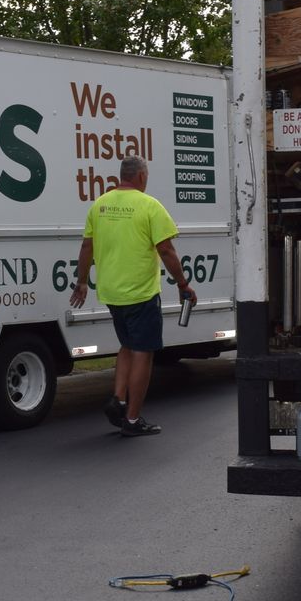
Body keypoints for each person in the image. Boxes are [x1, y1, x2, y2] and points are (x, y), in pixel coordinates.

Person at [70, 155, 196, 437]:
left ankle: (119, 399)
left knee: (127, 345)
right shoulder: (149, 206)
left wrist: (81, 282)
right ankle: (132, 419)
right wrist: (183, 284)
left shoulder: (99, 205)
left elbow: (86, 248)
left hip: (112, 293)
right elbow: (166, 251)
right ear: (140, 176)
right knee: (143, 352)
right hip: (140, 292)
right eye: (146, 175)